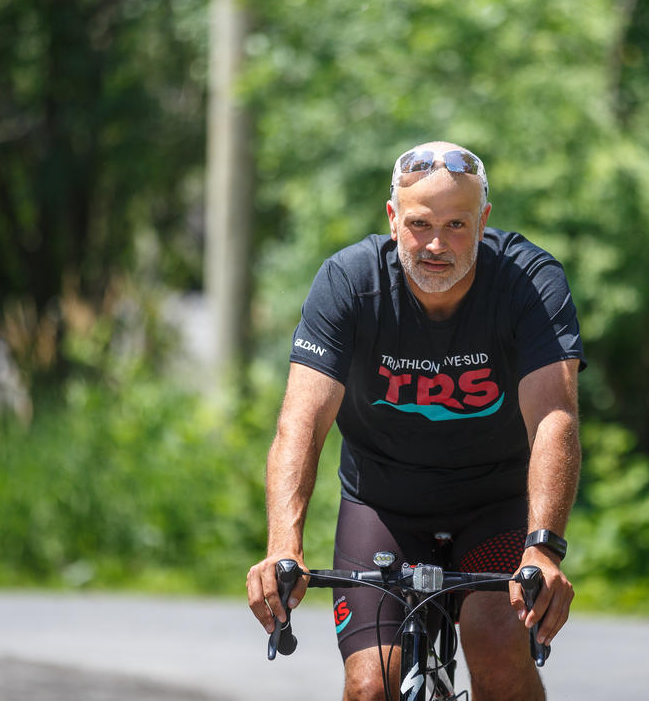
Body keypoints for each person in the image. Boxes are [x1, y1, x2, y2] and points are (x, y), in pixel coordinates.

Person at [246, 141, 585, 701]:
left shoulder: (529, 282)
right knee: (370, 685)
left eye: (456, 225)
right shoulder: (350, 283)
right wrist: (284, 545)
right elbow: (300, 424)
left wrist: (543, 549)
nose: (435, 244)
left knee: (499, 656)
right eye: (420, 223)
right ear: (392, 218)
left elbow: (554, 417)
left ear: (483, 221)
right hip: (384, 505)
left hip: (495, 505)